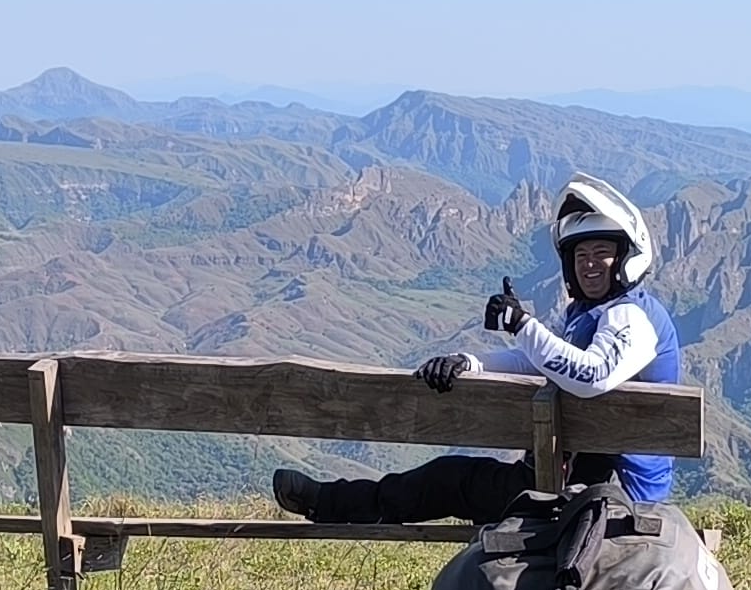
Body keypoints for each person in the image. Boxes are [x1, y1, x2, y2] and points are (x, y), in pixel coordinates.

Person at [274, 174, 684, 524]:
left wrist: (522, 325)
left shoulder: (631, 317)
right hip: (573, 485)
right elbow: (539, 361)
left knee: (448, 480)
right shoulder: (590, 313)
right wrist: (469, 363)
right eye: (580, 255)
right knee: (449, 478)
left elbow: (591, 376)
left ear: (625, 258)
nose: (589, 264)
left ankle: (329, 502)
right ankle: (333, 501)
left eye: (602, 253)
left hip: (611, 498)